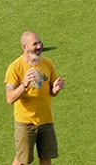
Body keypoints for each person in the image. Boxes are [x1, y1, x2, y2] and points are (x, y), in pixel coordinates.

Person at [5, 30, 64, 165]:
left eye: (40, 42)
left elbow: (52, 90)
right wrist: (24, 84)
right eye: (35, 44)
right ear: (24, 47)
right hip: (26, 123)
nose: (39, 46)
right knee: (22, 161)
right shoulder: (15, 68)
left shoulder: (47, 63)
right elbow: (9, 98)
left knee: (46, 157)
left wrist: (55, 89)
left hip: (46, 120)